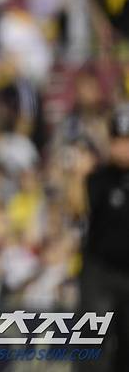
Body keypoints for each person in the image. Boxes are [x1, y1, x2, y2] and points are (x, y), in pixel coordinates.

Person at [78, 105, 129, 372]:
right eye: (118, 140)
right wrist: (76, 176)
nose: (123, 148)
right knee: (91, 345)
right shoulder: (98, 179)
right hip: (101, 274)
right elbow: (77, 210)